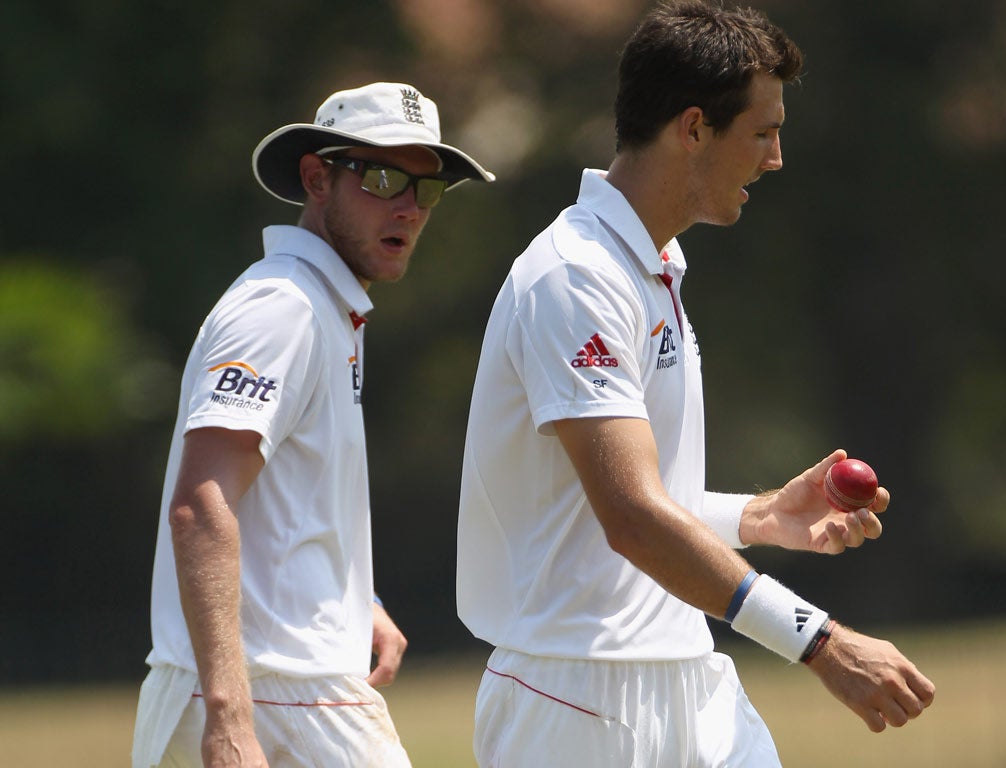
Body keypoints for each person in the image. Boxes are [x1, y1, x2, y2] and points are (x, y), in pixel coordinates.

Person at [456, 2, 934, 765]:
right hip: (576, 700)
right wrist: (820, 641)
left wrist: (760, 515)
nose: (775, 157)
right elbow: (631, 518)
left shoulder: (655, 266)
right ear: (692, 128)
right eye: (763, 131)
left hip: (685, 672)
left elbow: (632, 505)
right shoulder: (578, 275)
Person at [131, 82, 494, 768]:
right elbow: (200, 507)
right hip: (274, 696)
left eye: (429, 188)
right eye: (385, 178)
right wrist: (232, 718)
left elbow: (280, 506)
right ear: (316, 177)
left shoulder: (320, 305)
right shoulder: (283, 309)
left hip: (272, 685)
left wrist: (357, 601)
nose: (410, 208)